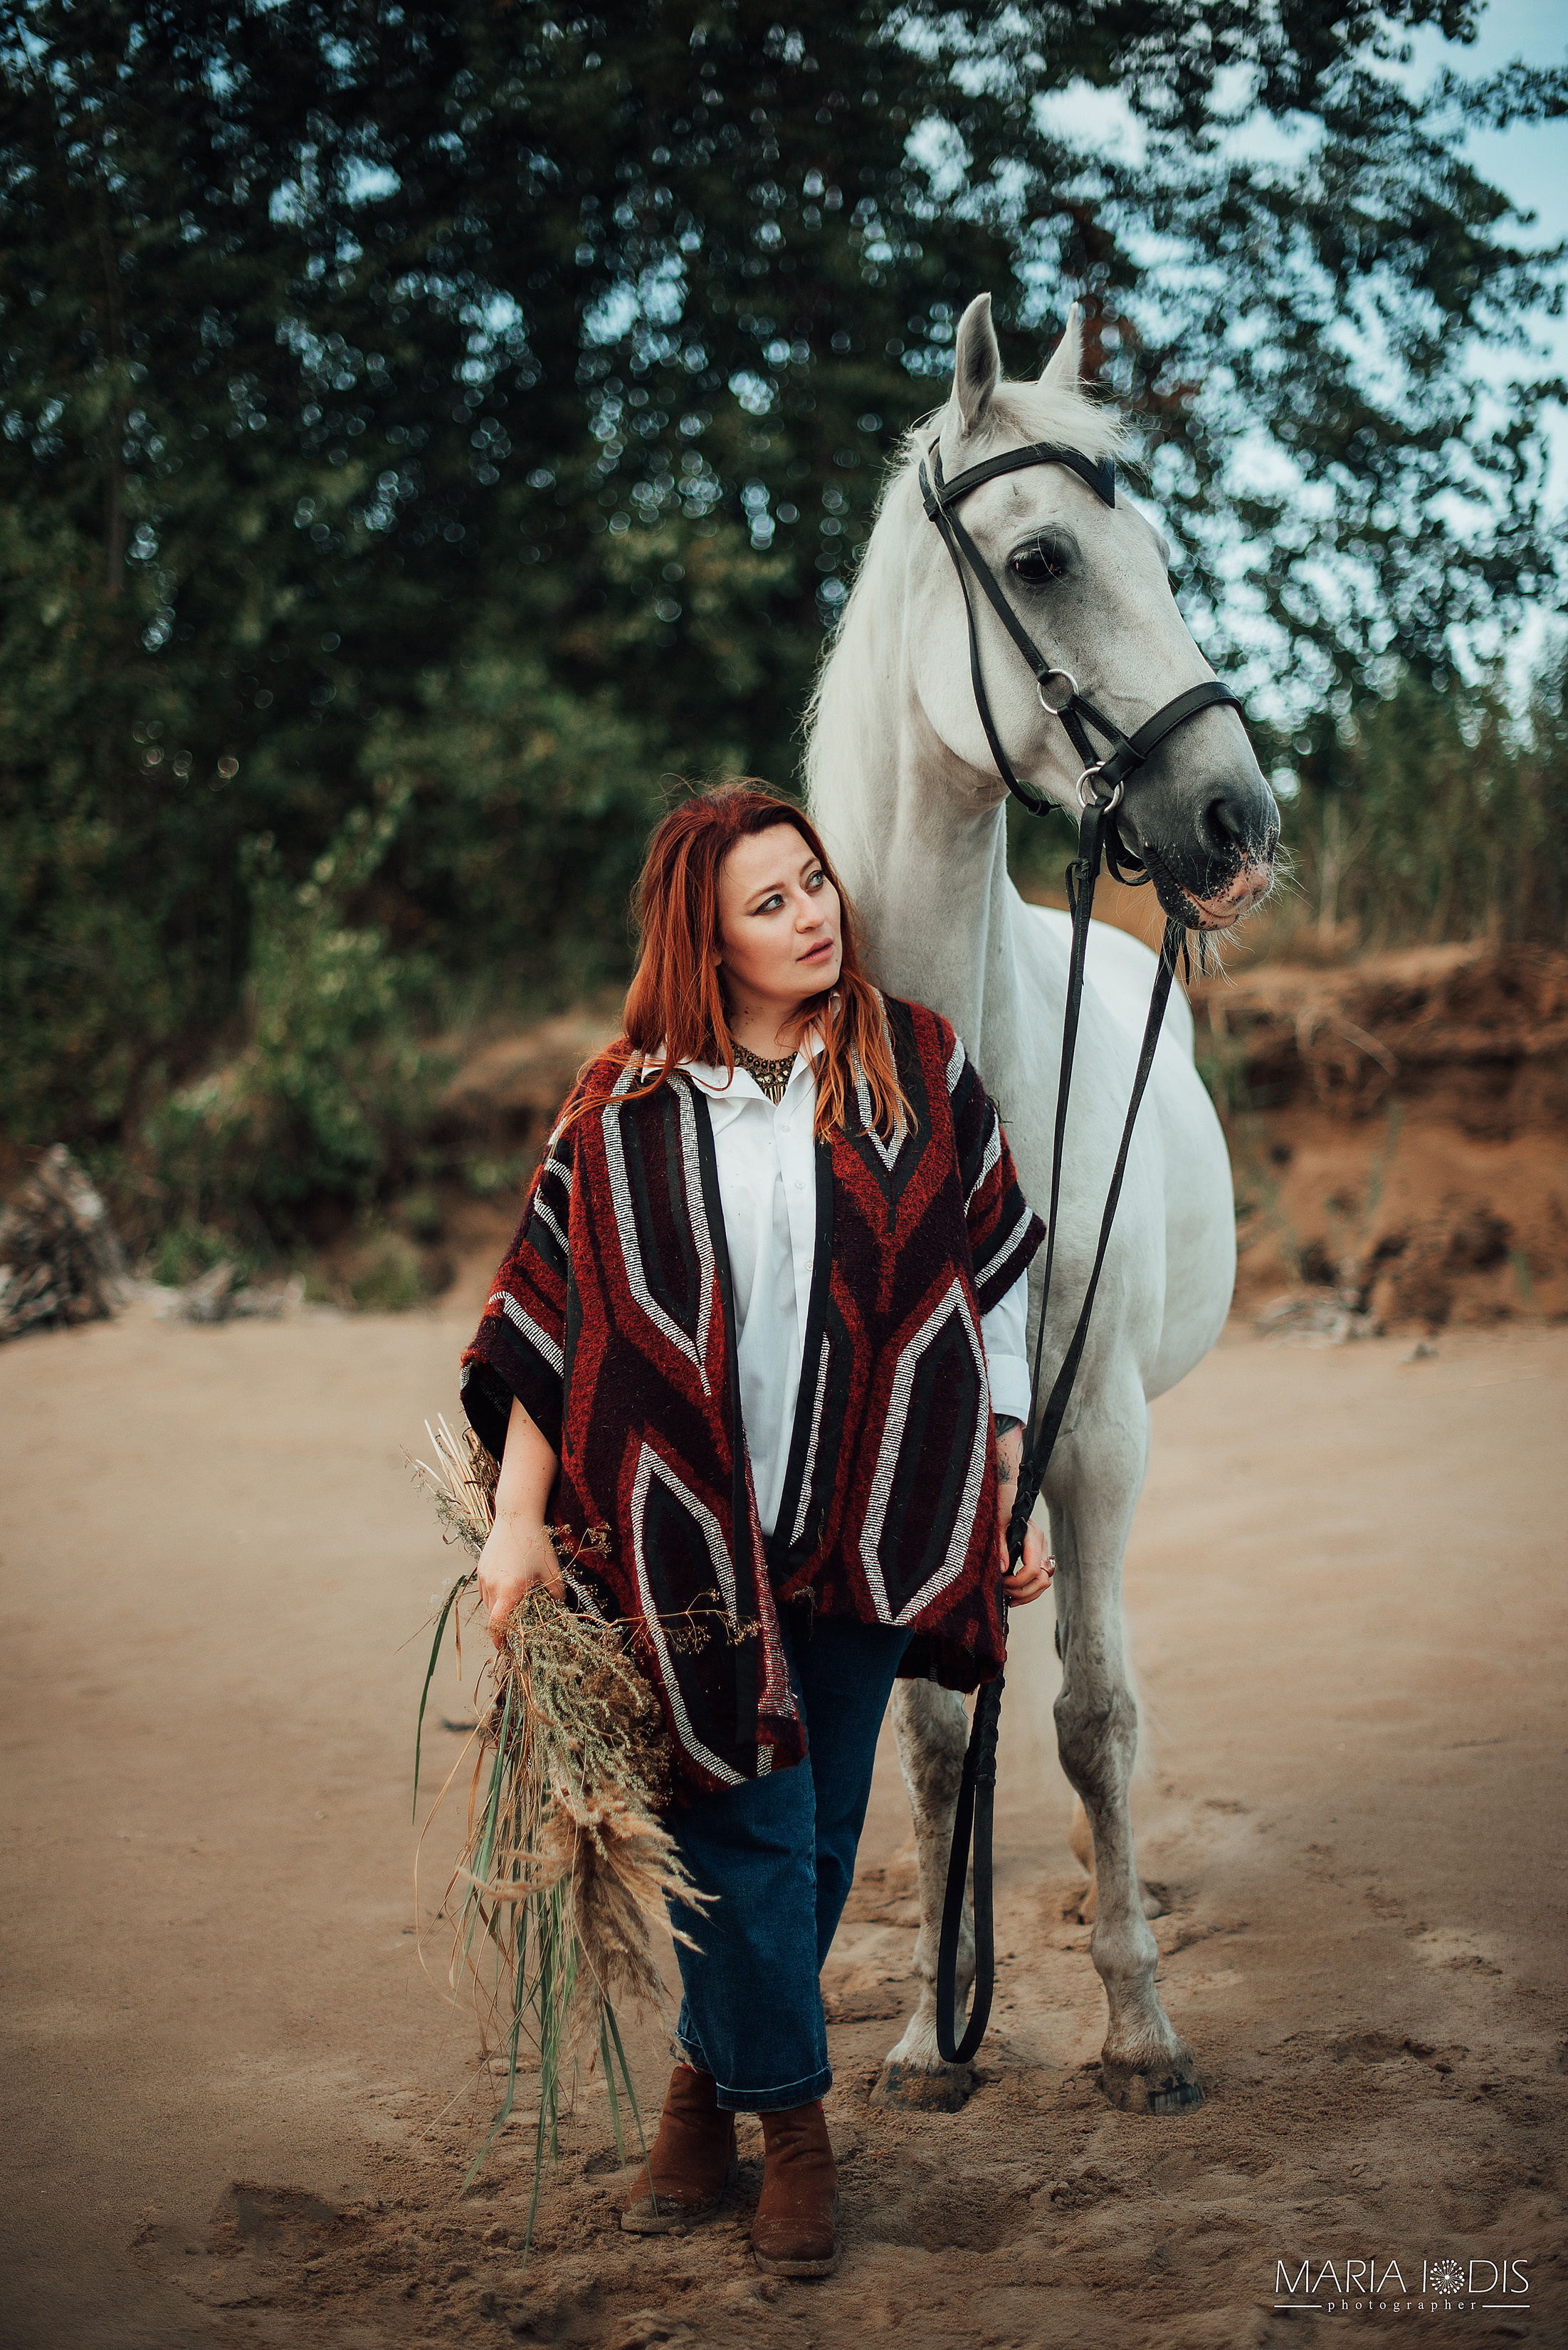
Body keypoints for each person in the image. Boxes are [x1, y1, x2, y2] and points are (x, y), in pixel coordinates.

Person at [461, 782, 1050, 2280]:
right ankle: (791, 2129)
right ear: (705, 941)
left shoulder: (913, 1065)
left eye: (814, 885)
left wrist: (1000, 1459)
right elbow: (555, 1326)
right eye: (770, 903)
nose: (813, 917)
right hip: (687, 1535)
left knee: (819, 1825)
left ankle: (695, 2083)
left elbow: (998, 1268)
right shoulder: (621, 1104)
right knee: (746, 1814)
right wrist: (515, 1527)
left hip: (873, 1508)